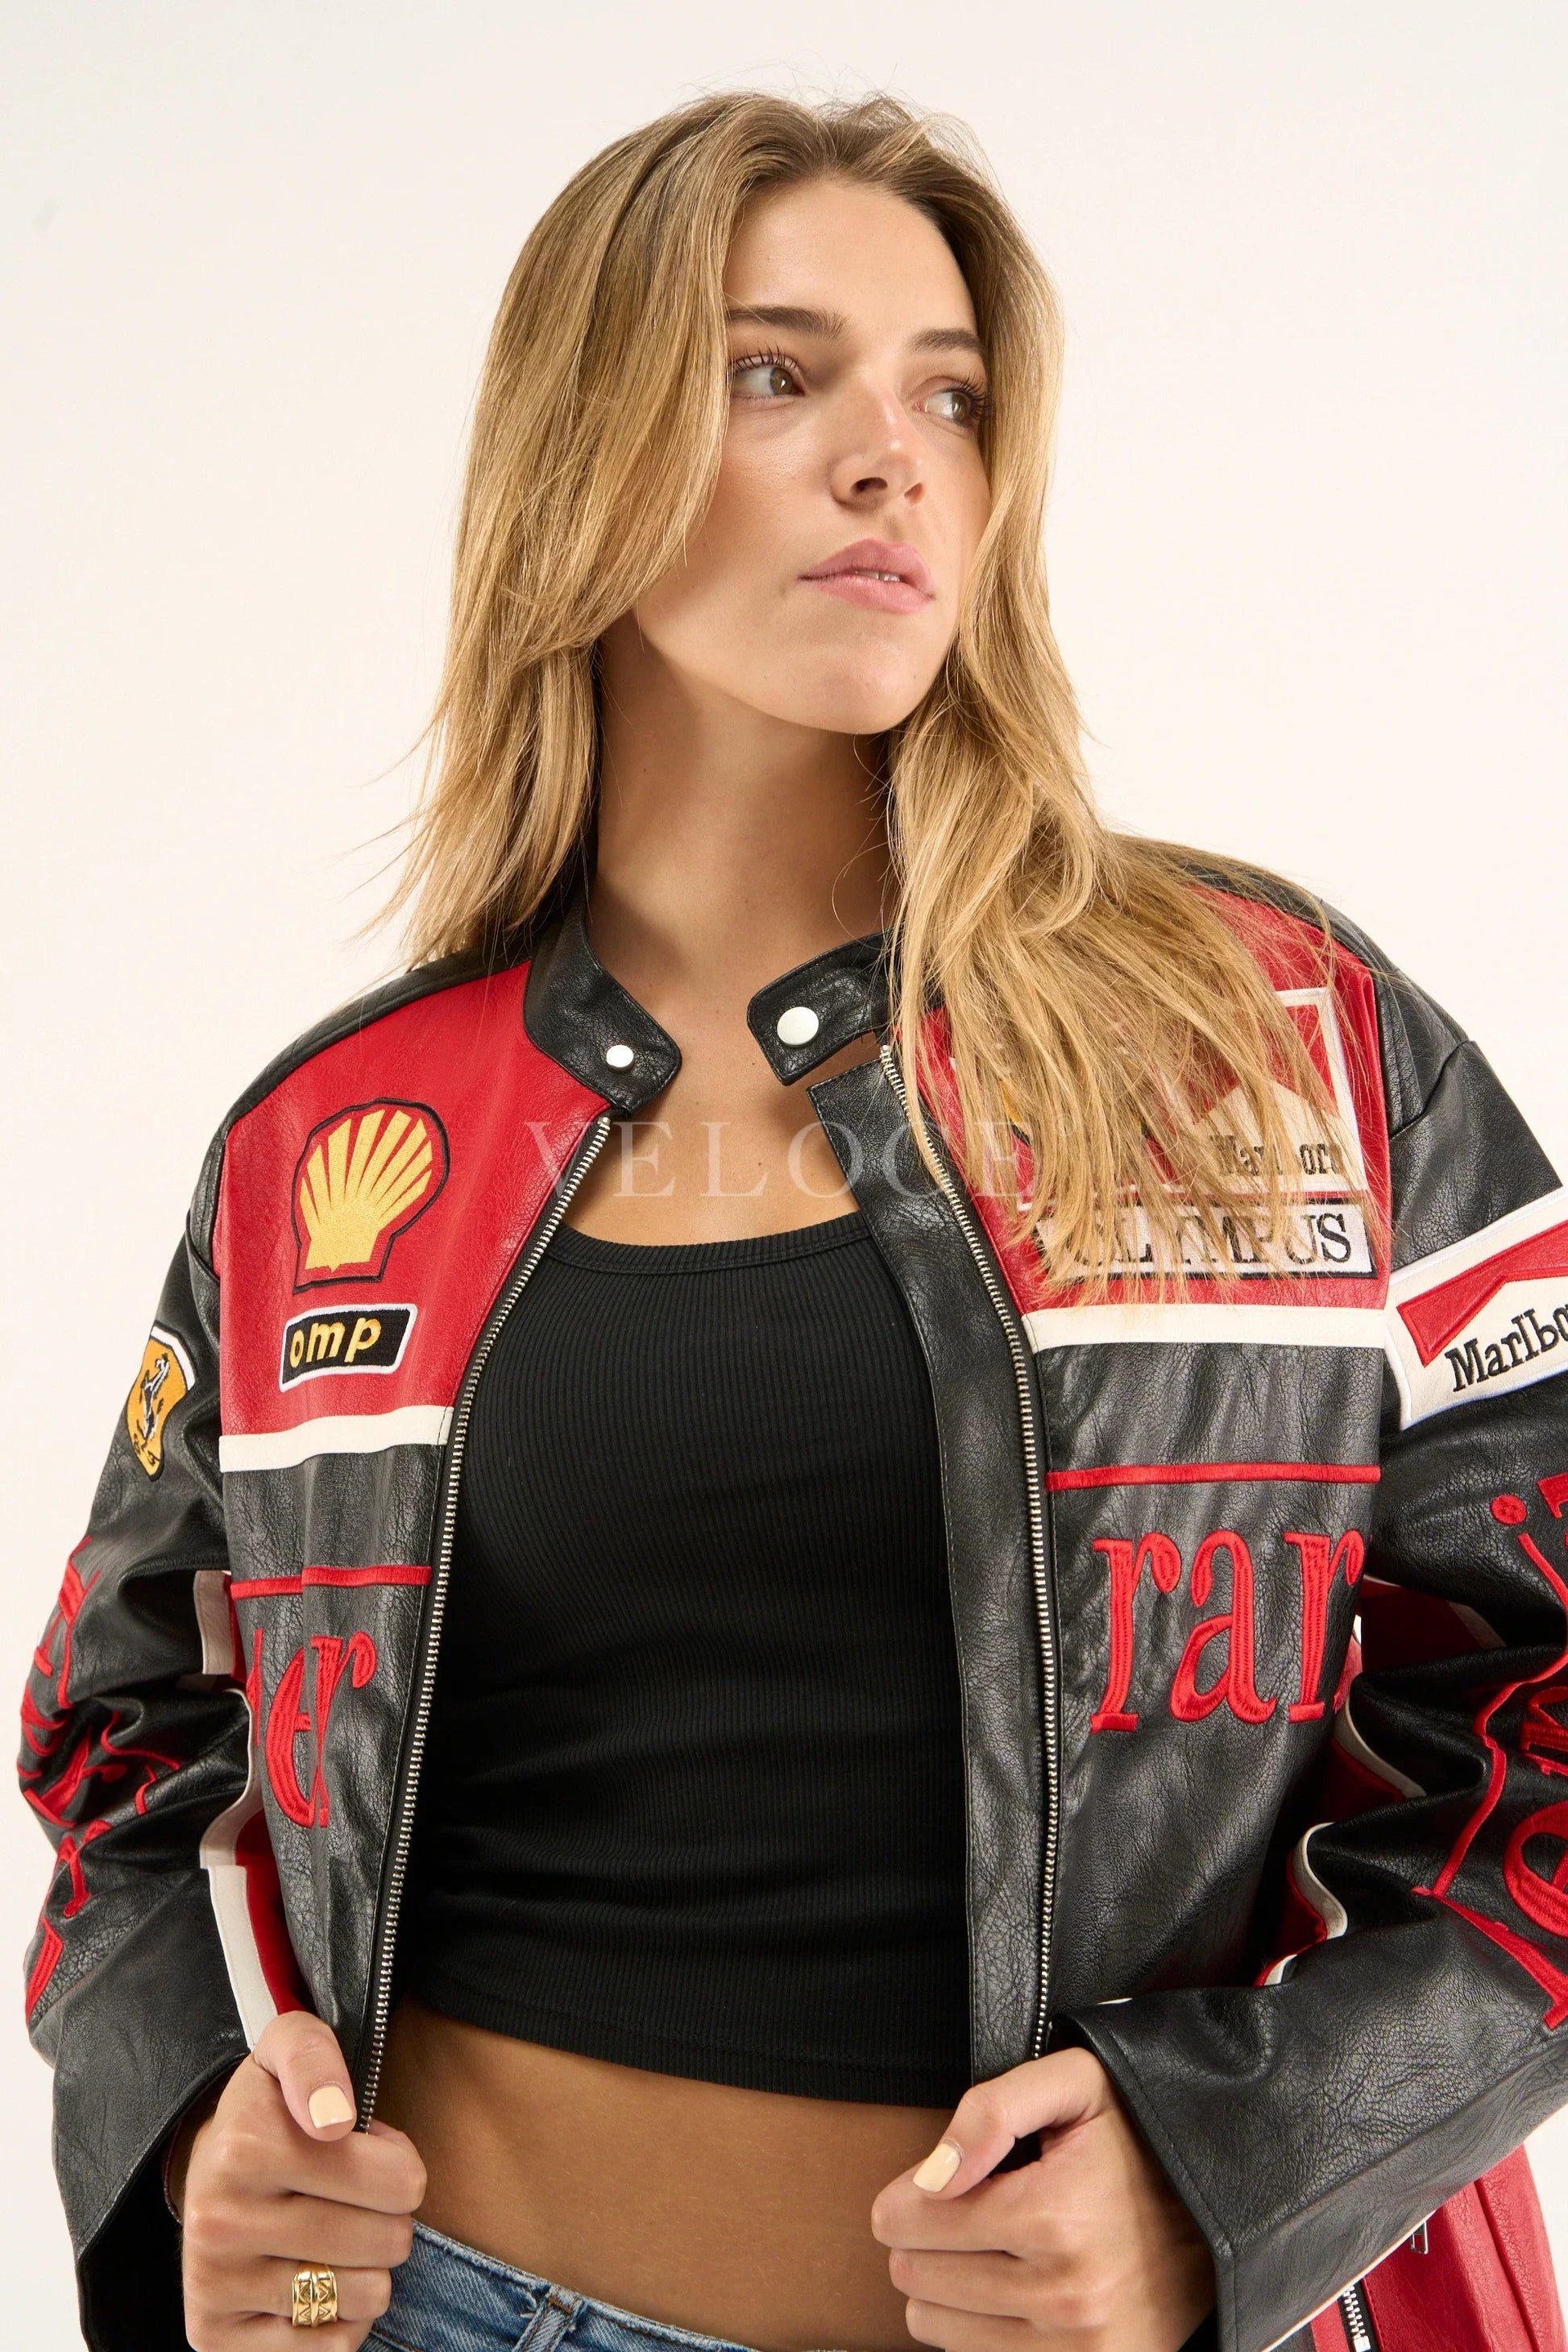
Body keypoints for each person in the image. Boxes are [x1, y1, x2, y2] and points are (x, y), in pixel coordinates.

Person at [20, 89, 1568, 2352]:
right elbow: (125, 1732)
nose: (891, 461)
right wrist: (188, 2126)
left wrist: (1235, 2170)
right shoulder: (335, 1137)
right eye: (774, 375)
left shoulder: (1283, 1048)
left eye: (950, 396)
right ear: (578, 451)